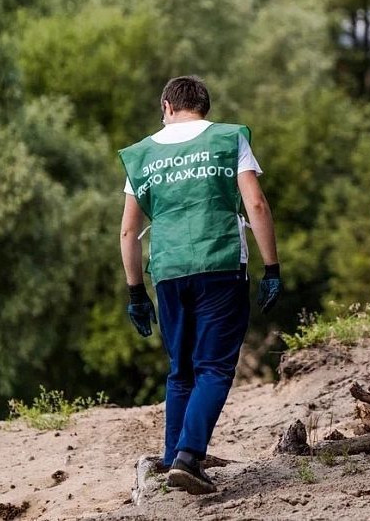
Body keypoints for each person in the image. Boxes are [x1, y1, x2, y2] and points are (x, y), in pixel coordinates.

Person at [119, 76, 282, 494]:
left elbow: (127, 232)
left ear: (167, 107)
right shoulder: (229, 139)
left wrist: (136, 292)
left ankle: (174, 456)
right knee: (214, 367)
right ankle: (190, 457)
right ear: (203, 107)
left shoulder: (143, 154)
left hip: (169, 270)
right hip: (221, 263)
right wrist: (272, 267)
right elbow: (256, 203)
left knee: (181, 370)